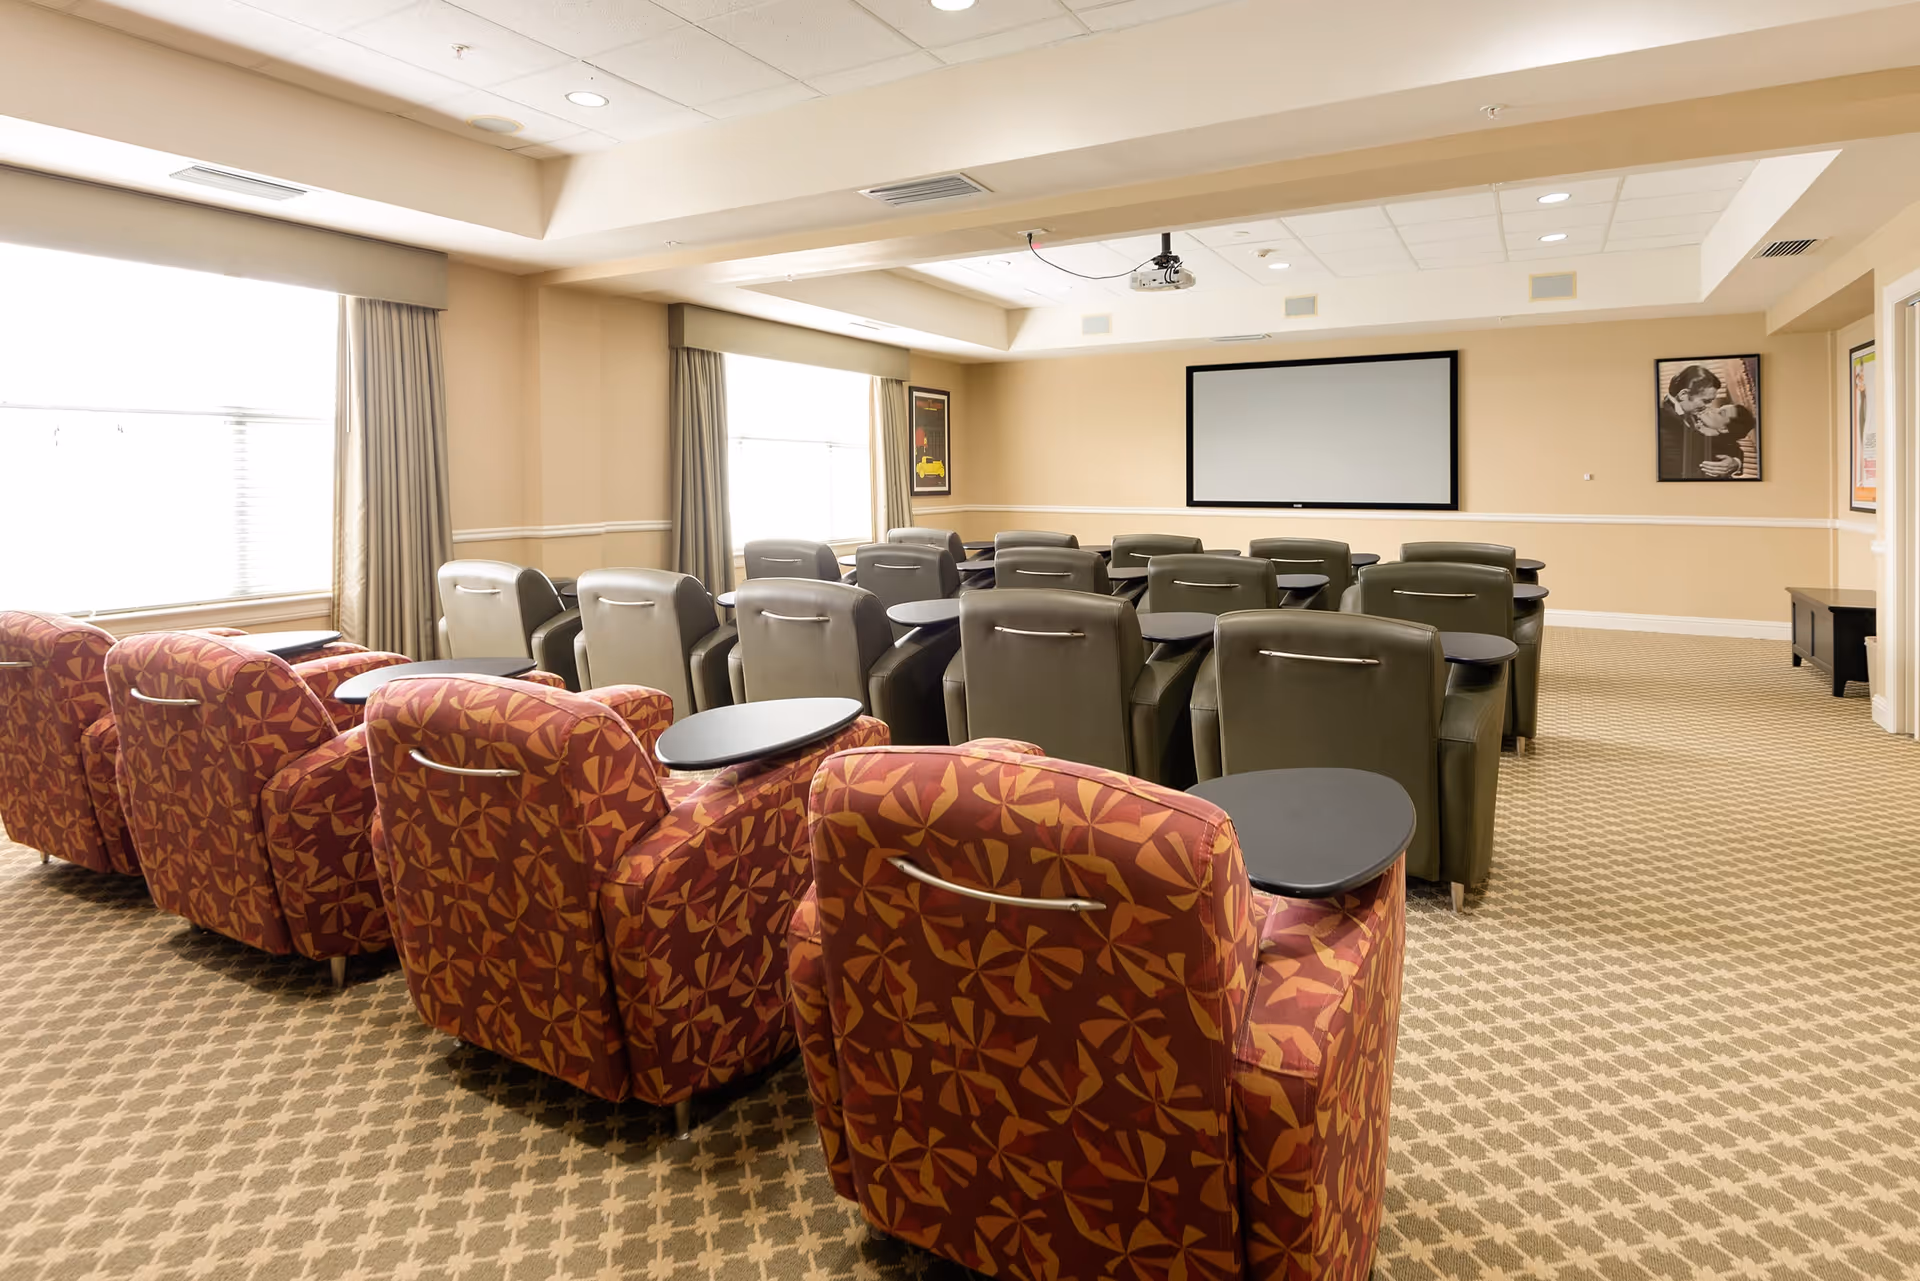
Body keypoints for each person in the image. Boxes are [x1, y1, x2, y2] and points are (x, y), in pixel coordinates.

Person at [1659, 365, 1724, 479]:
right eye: (1705, 401)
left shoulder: (1690, 412)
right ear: (1683, 394)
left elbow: (1716, 445)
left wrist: (1735, 462)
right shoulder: (1662, 419)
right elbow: (1674, 470)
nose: (1708, 407)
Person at [1683, 400, 1754, 478]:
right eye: (1718, 408)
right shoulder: (1690, 419)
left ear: (1724, 428)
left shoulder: (1718, 452)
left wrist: (1737, 462)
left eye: (1720, 413)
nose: (1712, 409)